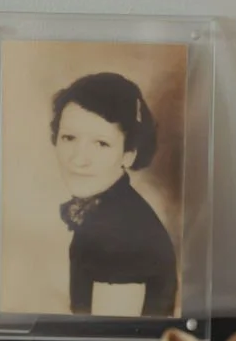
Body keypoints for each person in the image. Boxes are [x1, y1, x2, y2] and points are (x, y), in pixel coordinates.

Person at [51, 72, 178, 317]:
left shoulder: (121, 237)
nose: (78, 159)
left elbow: (107, 333)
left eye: (101, 143)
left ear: (129, 154)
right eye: (69, 137)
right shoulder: (108, 213)